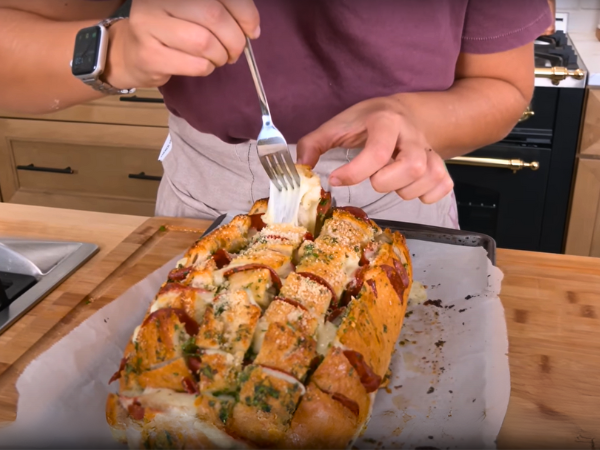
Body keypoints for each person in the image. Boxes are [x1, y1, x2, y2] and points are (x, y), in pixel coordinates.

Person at [0, 0, 551, 228]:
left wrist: (413, 117)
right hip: (202, 199)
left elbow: (502, 88)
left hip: (402, 205)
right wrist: (113, 50)